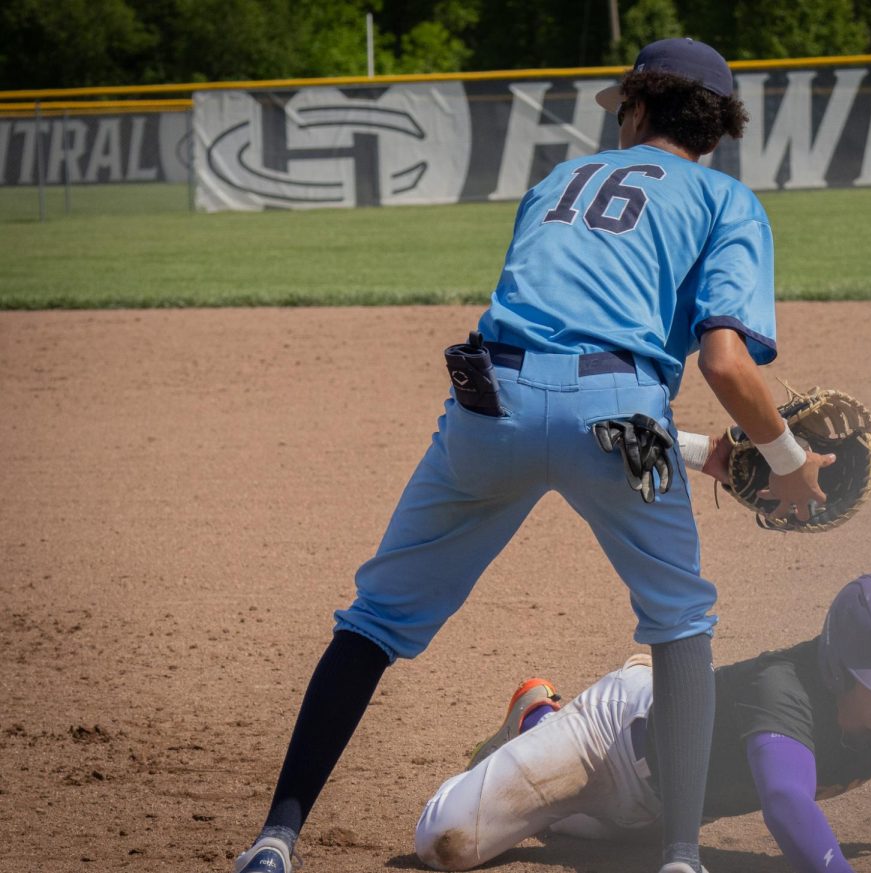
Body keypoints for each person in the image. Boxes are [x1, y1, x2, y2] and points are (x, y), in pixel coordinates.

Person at [233, 37, 836, 873]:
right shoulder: (726, 200)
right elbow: (715, 366)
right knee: (680, 622)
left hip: (492, 410)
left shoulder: (555, 184)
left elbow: (555, 374)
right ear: (718, 128)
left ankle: (274, 839)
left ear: (638, 107)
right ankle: (681, 857)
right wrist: (786, 458)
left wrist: (700, 452)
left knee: (372, 621)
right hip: (619, 421)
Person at [414, 574, 871, 872]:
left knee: (566, 834)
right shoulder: (783, 689)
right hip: (610, 741)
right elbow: (786, 800)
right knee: (446, 845)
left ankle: (560, 737)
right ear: (838, 666)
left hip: (660, 814)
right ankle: (538, 715)